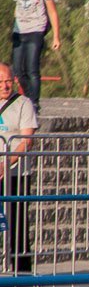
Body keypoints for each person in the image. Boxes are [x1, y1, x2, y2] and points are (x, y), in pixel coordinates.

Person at [0, 62, 38, 272]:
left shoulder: (23, 104)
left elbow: (26, 140)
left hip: (16, 172)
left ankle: (22, 270)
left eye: (8, 81)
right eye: (1, 82)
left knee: (17, 221)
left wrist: (6, 163)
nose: (5, 86)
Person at [12, 0, 61, 112]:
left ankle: (34, 102)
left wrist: (56, 36)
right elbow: (17, 9)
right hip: (19, 32)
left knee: (32, 68)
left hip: (36, 31)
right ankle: (27, 98)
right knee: (19, 71)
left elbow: (52, 12)